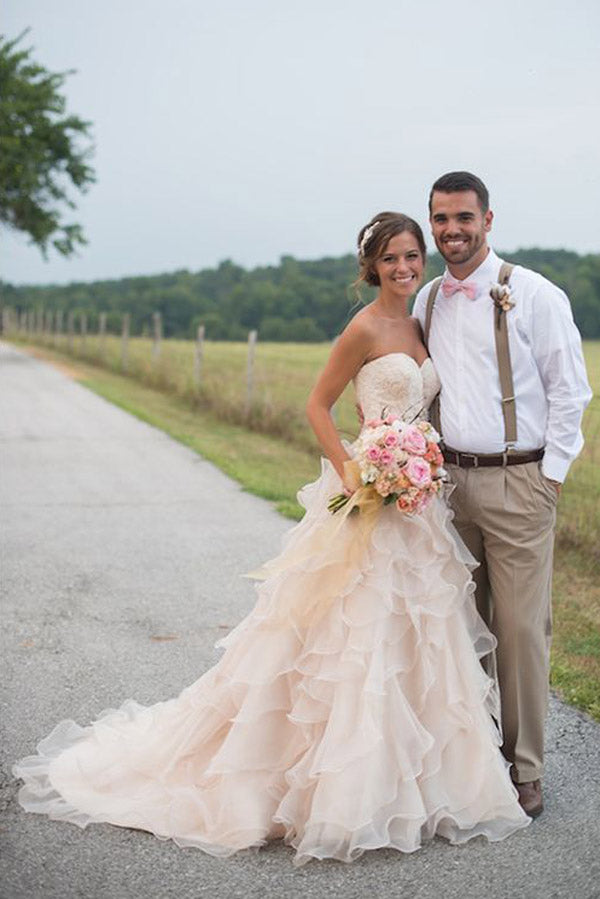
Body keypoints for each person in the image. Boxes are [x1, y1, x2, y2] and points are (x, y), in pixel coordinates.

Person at [13, 213, 530, 866]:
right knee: (353, 638)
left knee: (419, 636)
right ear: (372, 266)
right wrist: (356, 468)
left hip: (419, 505)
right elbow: (318, 404)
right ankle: (341, 791)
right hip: (371, 496)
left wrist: (418, 459)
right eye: (392, 258)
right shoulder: (365, 327)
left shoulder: (422, 321)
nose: (405, 267)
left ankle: (425, 786)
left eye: (412, 256)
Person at [412, 172, 592, 819]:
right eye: (440, 219)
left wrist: (551, 477)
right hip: (447, 485)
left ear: (489, 219)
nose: (452, 230)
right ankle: (477, 753)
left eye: (464, 217)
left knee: (519, 629)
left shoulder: (536, 294)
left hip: (521, 480)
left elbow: (572, 390)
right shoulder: (426, 301)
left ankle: (526, 768)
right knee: (463, 625)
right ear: (430, 223)